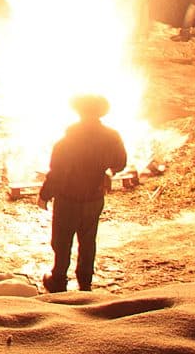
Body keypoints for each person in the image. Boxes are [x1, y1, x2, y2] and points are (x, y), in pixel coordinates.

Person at [38, 94, 128, 292]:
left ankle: (58, 279)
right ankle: (85, 282)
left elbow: (57, 172)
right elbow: (120, 162)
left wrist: (45, 195)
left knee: (62, 240)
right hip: (94, 198)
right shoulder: (112, 137)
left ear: (78, 112)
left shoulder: (68, 140)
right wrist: (107, 172)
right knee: (88, 241)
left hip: (68, 199)